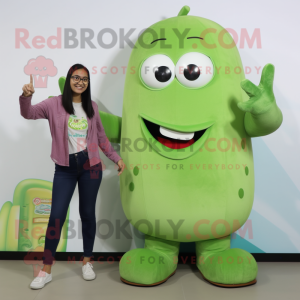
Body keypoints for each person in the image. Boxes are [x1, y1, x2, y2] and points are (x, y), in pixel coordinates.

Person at [19, 64, 125, 289]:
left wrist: (116, 158)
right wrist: (26, 97)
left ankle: (87, 261)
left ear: (87, 83)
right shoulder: (53, 104)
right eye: (76, 77)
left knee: (87, 214)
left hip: (91, 166)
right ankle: (46, 269)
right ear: (68, 80)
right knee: (56, 216)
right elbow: (28, 113)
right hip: (65, 168)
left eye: (84, 79)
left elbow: (102, 139)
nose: (80, 82)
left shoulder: (92, 107)